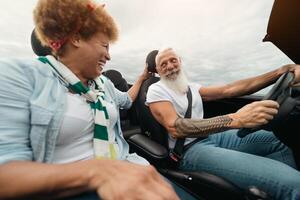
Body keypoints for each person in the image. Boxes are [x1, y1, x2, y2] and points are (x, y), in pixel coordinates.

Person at [0, 1, 197, 199]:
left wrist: (141, 78)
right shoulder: (19, 75)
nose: (109, 56)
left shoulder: (103, 83)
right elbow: (5, 174)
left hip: (128, 168)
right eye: (104, 45)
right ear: (76, 38)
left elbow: (127, 101)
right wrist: (98, 172)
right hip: (66, 189)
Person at [146, 47, 300, 200]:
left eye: (173, 60)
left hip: (211, 137)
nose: (170, 66)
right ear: (158, 71)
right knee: (295, 184)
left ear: (180, 62)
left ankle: (274, 183)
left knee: (279, 140)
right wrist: (235, 119)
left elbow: (230, 89)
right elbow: (176, 127)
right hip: (189, 150)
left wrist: (277, 73)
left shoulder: (191, 88)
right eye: (163, 64)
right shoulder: (156, 89)